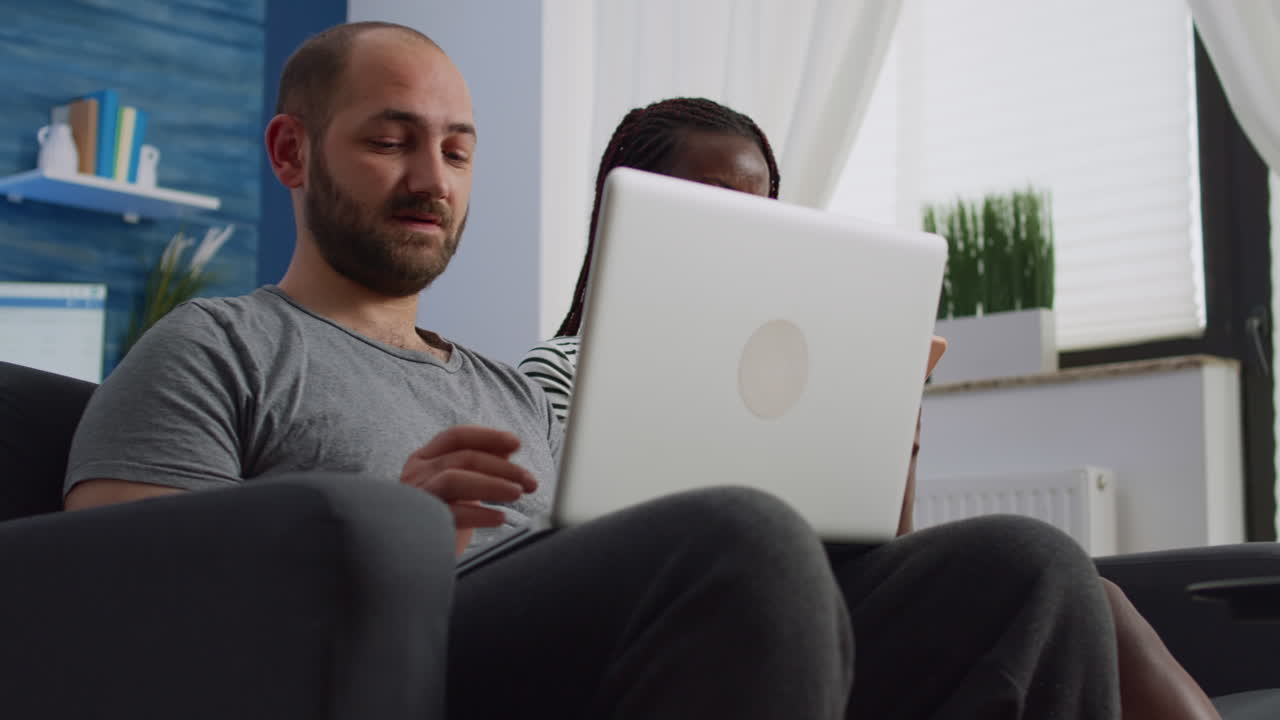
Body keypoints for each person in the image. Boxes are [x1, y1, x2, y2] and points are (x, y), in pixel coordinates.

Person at [63, 23, 1118, 719]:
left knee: (1025, 567)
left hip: (618, 650)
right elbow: (120, 610)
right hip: (425, 663)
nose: (432, 179)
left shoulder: (513, 389)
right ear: (291, 153)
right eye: (390, 142)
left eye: (457, 151)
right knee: (740, 532)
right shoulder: (216, 347)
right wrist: (390, 537)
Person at [519, 96, 1221, 720]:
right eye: (712, 202)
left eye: (758, 208)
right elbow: (568, 573)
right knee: (1041, 580)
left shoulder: (778, 361)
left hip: (829, 605)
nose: (738, 225)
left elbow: (887, 550)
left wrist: (895, 431)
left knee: (1080, 587)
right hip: (704, 631)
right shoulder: (556, 372)